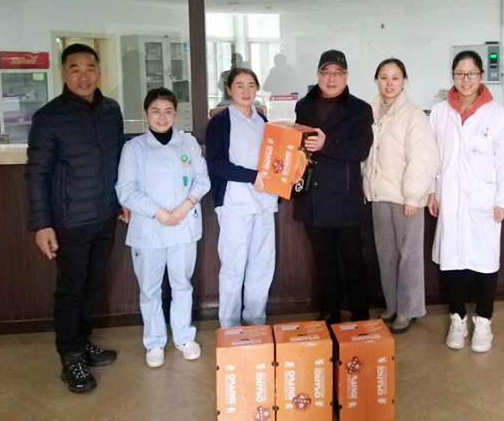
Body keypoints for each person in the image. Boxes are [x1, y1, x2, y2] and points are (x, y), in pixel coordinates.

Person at [26, 43, 127, 394]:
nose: (84, 76)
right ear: (63, 74)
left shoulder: (111, 110)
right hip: (69, 220)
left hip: (105, 215)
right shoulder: (49, 116)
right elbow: (36, 173)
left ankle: (84, 343)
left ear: (99, 71)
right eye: (75, 69)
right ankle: (70, 356)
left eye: (90, 68)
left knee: (93, 285)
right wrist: (41, 224)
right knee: (71, 290)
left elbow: (119, 158)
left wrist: (122, 200)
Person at [428, 51, 504, 353]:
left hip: (484, 199)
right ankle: (457, 319)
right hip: (449, 197)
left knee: (485, 263)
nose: (465, 80)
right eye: (459, 73)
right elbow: (432, 157)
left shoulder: (496, 114)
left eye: (472, 74)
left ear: (481, 76)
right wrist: (431, 191)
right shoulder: (440, 112)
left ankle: (483, 322)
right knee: (451, 260)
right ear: (452, 75)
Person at [115, 88, 210, 367]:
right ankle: (154, 342)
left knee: (182, 285)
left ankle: (183, 337)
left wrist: (186, 205)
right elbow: (125, 190)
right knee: (149, 289)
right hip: (149, 229)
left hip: (183, 225)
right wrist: (158, 212)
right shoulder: (133, 148)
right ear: (145, 114)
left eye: (168, 111)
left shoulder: (188, 143)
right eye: (155, 111)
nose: (162, 117)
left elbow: (202, 179)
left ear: (176, 114)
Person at [294, 50, 374, 325]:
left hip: (345, 198)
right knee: (323, 260)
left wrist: (326, 144)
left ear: (346, 76)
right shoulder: (303, 106)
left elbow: (361, 150)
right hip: (312, 196)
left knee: (353, 259)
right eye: (326, 73)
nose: (331, 79)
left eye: (337, 73)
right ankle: (329, 312)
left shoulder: (360, 109)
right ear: (318, 75)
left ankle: (360, 313)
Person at [362, 58, 438, 334]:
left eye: (395, 77)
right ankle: (393, 305)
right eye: (384, 77)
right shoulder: (369, 111)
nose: (389, 83)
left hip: (406, 199)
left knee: (409, 256)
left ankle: (409, 310)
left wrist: (413, 197)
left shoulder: (413, 115)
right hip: (379, 194)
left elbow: (423, 157)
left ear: (404, 80)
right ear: (377, 80)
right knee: (386, 255)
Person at [206, 69, 278, 328]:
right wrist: (251, 176)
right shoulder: (219, 122)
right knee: (233, 267)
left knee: (262, 265)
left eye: (250, 85)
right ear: (229, 89)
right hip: (235, 204)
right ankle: (229, 325)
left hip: (264, 203)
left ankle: (256, 321)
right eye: (239, 85)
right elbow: (215, 164)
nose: (246, 91)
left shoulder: (263, 120)